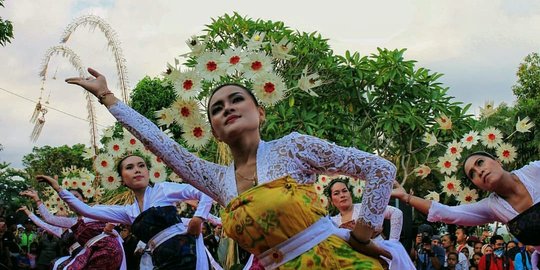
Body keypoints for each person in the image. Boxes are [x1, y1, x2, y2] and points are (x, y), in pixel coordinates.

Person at [65, 68, 397, 269]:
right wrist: (108, 97)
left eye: (236, 100)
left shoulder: (295, 147)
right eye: (217, 109)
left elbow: (381, 169)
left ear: (260, 113)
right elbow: (160, 145)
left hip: (335, 263)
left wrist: (363, 234)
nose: (227, 109)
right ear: (213, 130)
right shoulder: (217, 179)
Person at [38, 155, 214, 270]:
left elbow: (204, 191)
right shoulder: (129, 212)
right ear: (122, 180)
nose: (137, 170)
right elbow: (86, 210)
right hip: (160, 257)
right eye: (129, 167)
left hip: (186, 250)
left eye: (141, 165)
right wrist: (58, 188)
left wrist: (198, 218)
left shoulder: (163, 189)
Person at [392, 152, 540, 253]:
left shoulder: (535, 170)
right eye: (473, 174)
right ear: (477, 185)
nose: (479, 171)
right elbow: (448, 213)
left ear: (498, 161)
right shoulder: (492, 207)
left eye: (480, 163)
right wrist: (407, 198)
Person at [20, 189, 125, 270]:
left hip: (107, 253)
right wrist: (35, 201)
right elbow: (47, 219)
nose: (72, 201)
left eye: (76, 197)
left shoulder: (95, 211)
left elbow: (122, 212)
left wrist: (111, 225)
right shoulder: (72, 222)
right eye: (68, 199)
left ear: (84, 199)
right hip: (84, 258)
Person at [326, 178, 415, 269]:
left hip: (383, 259)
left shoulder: (366, 208)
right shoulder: (333, 222)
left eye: (344, 191)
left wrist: (392, 243)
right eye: (336, 193)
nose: (342, 195)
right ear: (331, 201)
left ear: (350, 194)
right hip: (356, 264)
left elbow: (396, 213)